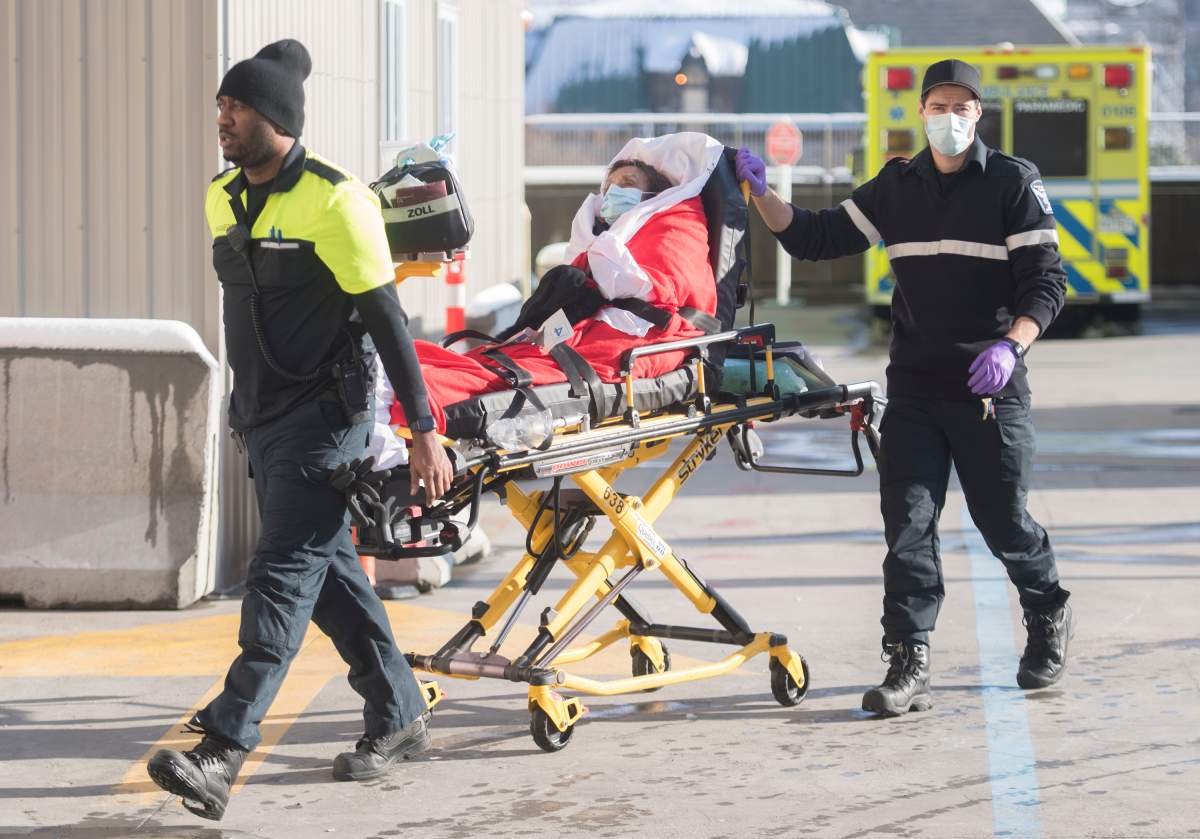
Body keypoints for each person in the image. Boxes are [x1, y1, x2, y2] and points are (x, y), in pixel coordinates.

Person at [145, 40, 453, 820]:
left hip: (328, 421)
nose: (223, 118)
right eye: (221, 105)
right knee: (331, 583)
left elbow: (387, 320)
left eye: (237, 106)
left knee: (280, 580)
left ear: (277, 118)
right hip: (263, 418)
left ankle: (220, 750)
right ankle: (401, 710)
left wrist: (421, 427)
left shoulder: (337, 200)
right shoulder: (222, 198)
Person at [736, 59, 1074, 717]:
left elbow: (1047, 281)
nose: (951, 117)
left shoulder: (1013, 183)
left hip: (989, 392)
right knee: (908, 528)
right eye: (939, 104)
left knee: (1003, 521)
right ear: (922, 112)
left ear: (979, 114)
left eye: (963, 106)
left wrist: (1013, 346)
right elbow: (817, 237)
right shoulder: (898, 186)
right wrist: (762, 195)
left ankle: (1047, 608)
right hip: (916, 390)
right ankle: (908, 658)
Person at [380, 148, 718, 435]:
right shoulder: (613, 245)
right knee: (461, 362)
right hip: (589, 338)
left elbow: (645, 280)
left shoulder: (673, 228)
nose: (614, 194)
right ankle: (396, 380)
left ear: (653, 198)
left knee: (481, 378)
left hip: (633, 346)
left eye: (627, 184)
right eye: (609, 187)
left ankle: (403, 392)